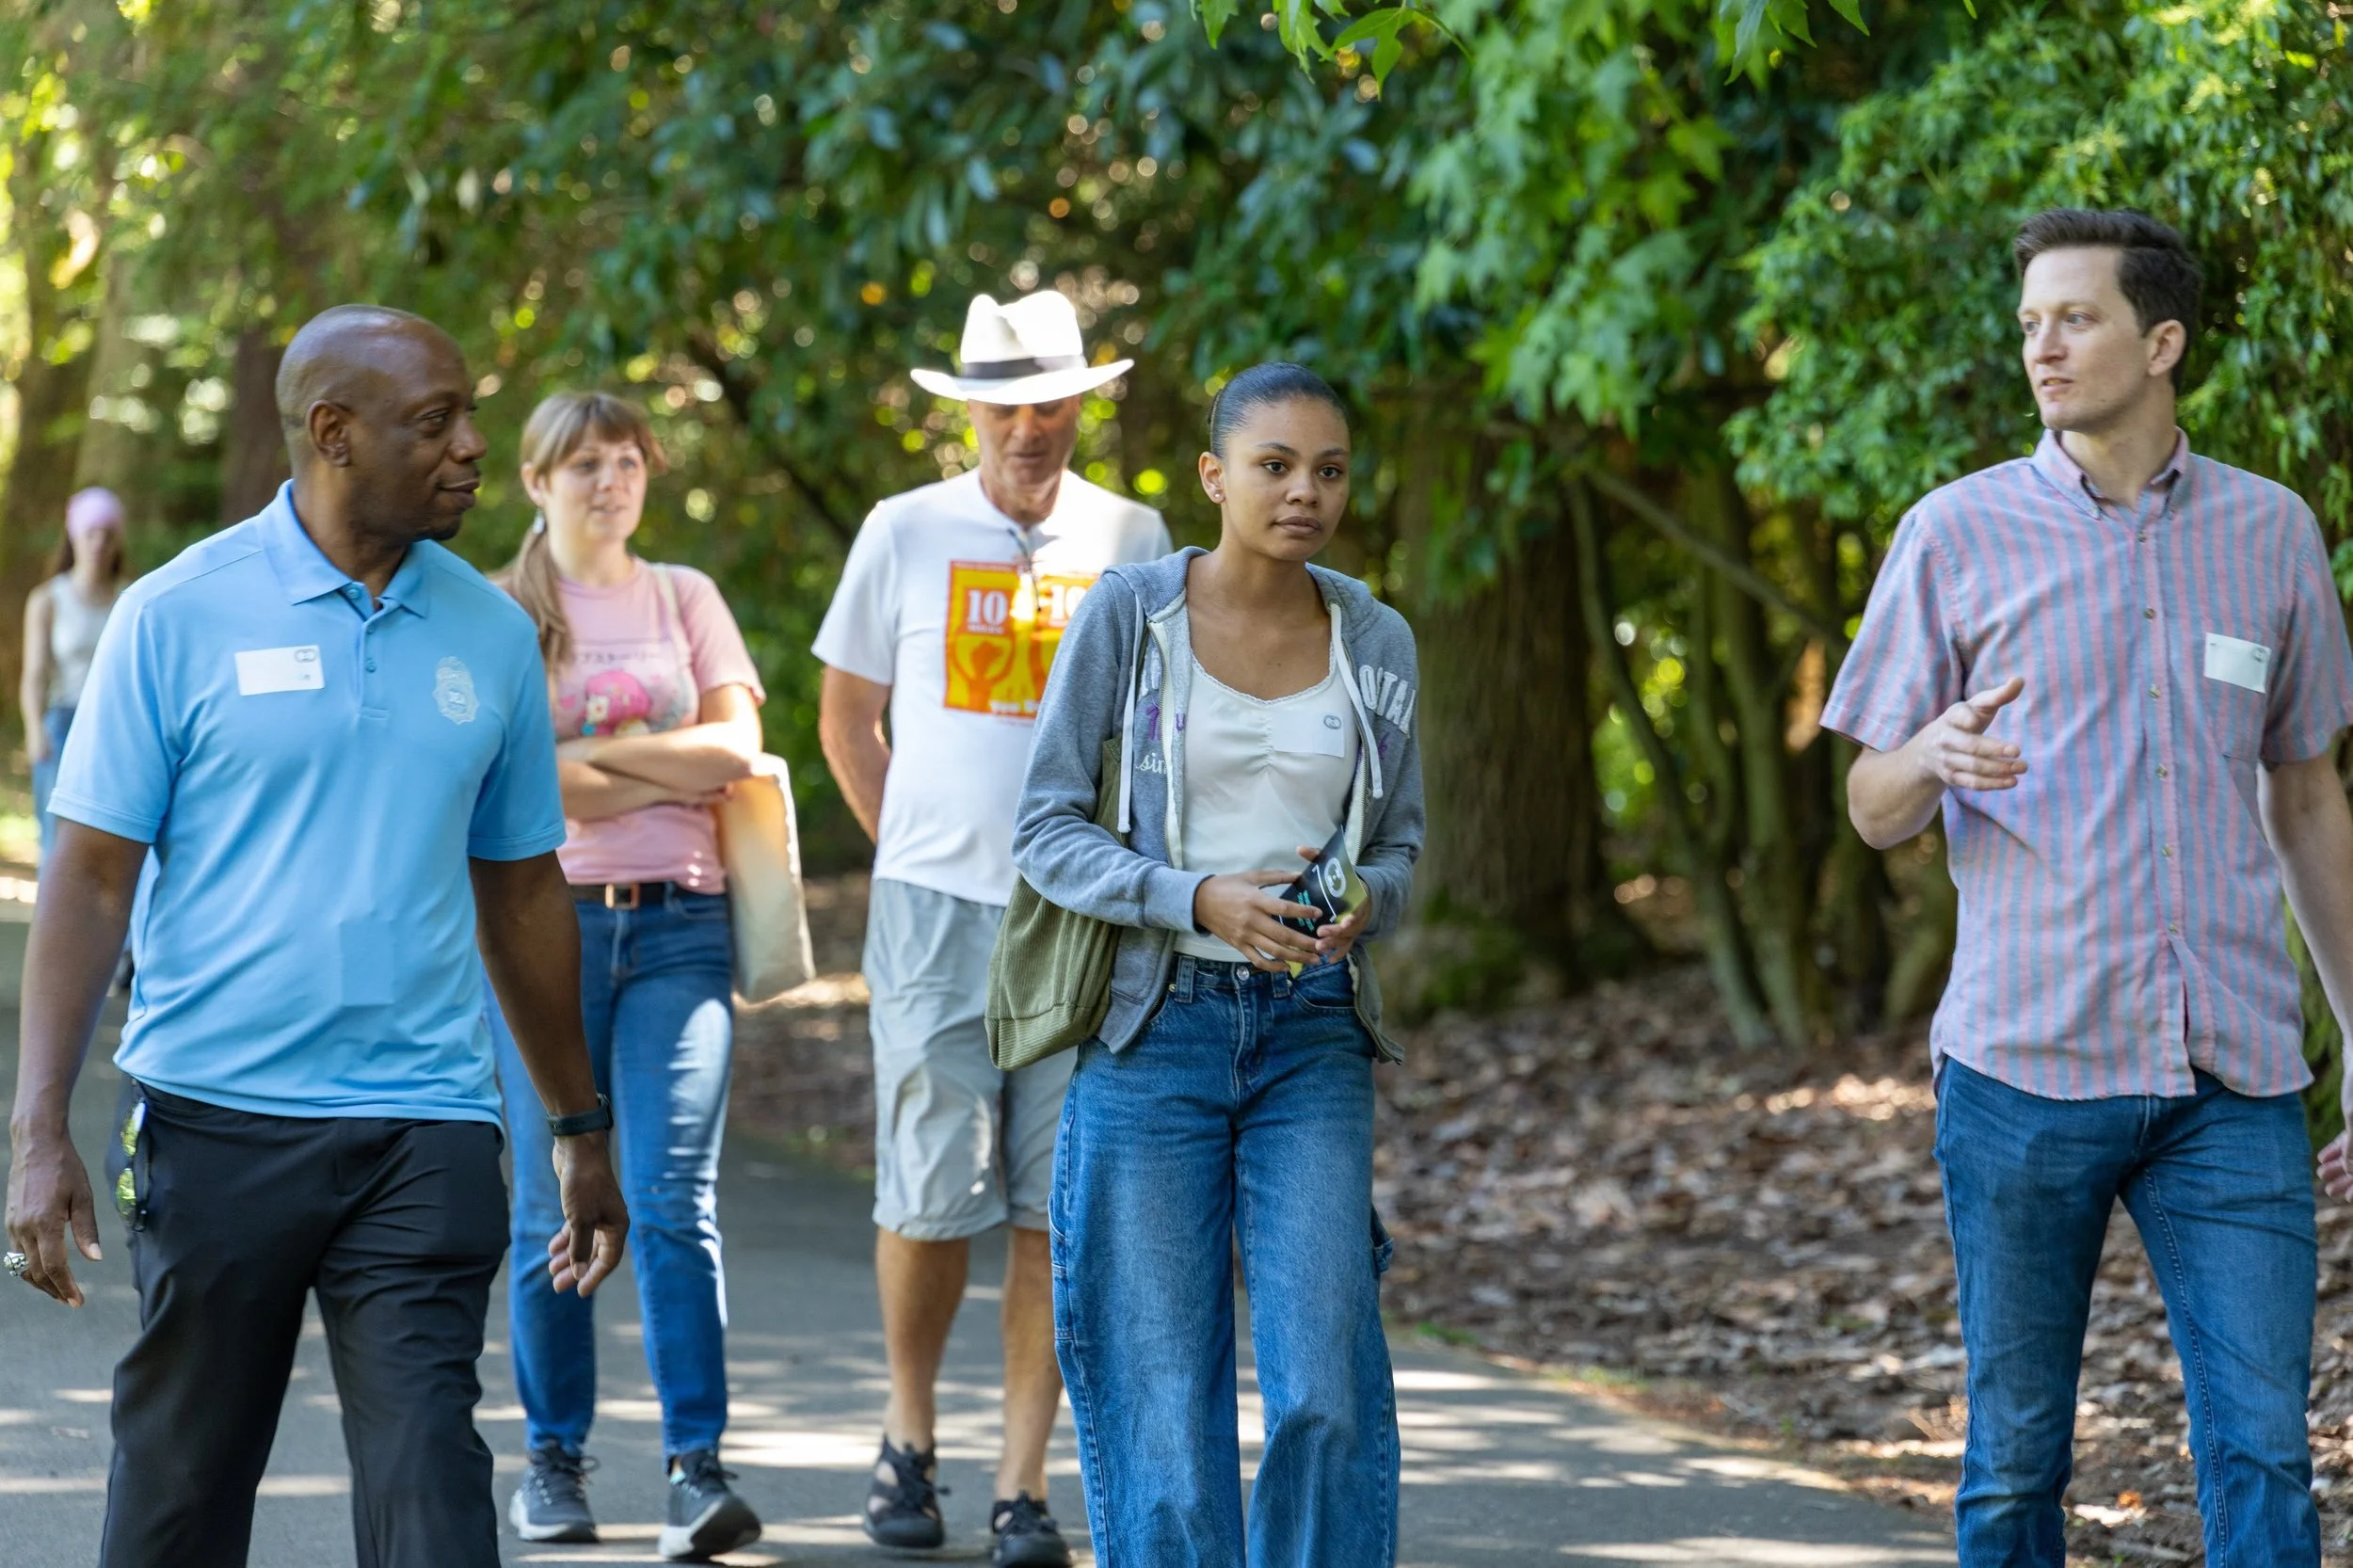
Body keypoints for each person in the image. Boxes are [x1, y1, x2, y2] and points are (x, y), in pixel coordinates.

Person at [1, 304, 630, 1568]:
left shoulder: (496, 635)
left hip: (425, 1124)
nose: (470, 447)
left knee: (430, 1489)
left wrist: (580, 1130)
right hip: (215, 1114)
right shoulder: (180, 614)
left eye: (469, 415)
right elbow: (89, 874)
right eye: (435, 421)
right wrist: (36, 1132)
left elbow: (520, 891)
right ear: (334, 433)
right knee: (181, 1487)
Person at [1827, 209, 2353, 1567]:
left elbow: (2304, 797)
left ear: (2161, 340)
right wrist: (1929, 755)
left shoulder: (2273, 533)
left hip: (2231, 1072)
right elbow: (1871, 806)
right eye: (2029, 324)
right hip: (2022, 1070)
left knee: (2265, 1453)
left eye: (2076, 318)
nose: (2042, 347)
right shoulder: (1953, 533)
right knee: (2014, 1463)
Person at [1012, 362, 1424, 1566]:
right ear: (1215, 476)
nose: (1306, 491)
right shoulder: (1129, 615)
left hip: (1312, 1034)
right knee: (1158, 1399)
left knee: (1323, 1386)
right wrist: (1190, 895)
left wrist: (1360, 900)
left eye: (1330, 469)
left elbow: (1396, 848)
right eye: (1275, 465)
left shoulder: (1375, 637)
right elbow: (1044, 828)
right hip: (1155, 1032)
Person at [813, 289, 1171, 1564]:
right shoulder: (903, 532)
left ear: (1084, 402)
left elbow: (1157, 724)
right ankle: (909, 1436)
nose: (1030, 425)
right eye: (1006, 403)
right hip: (933, 907)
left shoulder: (1132, 535)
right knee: (926, 1190)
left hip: (1084, 915)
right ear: (968, 410)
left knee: (1055, 1202)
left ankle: (1026, 1481)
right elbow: (847, 713)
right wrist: (907, 833)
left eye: (1051, 400)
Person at [487, 391, 766, 1561]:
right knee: (549, 1201)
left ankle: (695, 1471)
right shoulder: (502, 613)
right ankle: (552, 1462)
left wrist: (589, 762)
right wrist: (660, 768)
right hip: (541, 932)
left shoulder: (683, 597)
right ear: (536, 479)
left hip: (682, 927)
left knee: (669, 1196)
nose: (612, 480)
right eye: (585, 463)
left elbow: (736, 746)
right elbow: (515, 787)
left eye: (628, 461)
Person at [22, 487, 131, 862]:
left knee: (109, 835)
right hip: (63, 724)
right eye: (91, 533)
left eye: (108, 534)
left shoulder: (129, 599)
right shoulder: (48, 599)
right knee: (56, 837)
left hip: (113, 725)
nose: (99, 543)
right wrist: (35, 731)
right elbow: (34, 675)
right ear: (74, 536)